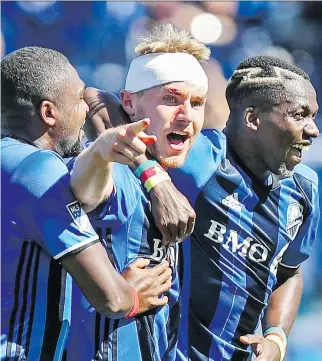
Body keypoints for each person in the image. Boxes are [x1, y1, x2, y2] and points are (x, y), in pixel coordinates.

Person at [77, 55, 320, 361]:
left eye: (313, 116)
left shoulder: (305, 190)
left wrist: (276, 337)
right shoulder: (199, 161)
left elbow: (288, 271)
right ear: (253, 119)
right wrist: (157, 182)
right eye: (299, 116)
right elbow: (94, 99)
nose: (313, 130)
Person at [1, 46, 172, 360]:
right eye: (78, 99)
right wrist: (134, 295)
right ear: (49, 113)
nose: (86, 109)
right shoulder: (37, 171)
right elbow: (110, 298)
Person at [67, 24, 209, 361]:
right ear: (129, 102)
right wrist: (143, 171)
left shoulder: (187, 170)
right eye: (171, 99)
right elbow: (86, 185)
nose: (186, 115)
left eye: (197, 103)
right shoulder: (115, 171)